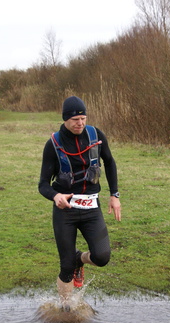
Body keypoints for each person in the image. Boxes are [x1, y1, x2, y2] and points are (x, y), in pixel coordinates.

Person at [38, 96, 121, 310]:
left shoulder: (96, 135)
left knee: (102, 257)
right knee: (65, 267)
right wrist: (55, 196)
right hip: (65, 212)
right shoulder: (54, 144)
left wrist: (115, 195)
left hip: (91, 208)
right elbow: (43, 185)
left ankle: (80, 259)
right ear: (66, 119)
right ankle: (67, 310)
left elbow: (110, 163)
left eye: (83, 118)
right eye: (75, 119)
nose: (80, 123)